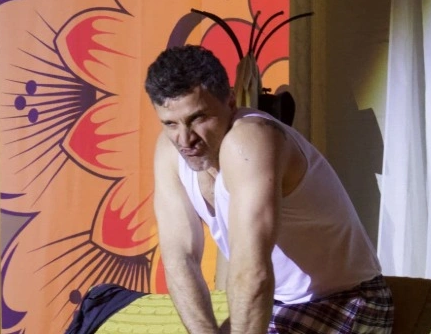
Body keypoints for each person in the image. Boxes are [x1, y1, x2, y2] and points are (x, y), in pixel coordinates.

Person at [144, 45, 393, 334]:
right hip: (276, 304)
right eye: (170, 123)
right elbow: (179, 258)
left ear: (231, 101)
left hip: (346, 299)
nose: (185, 139)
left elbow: (252, 272)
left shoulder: (250, 140)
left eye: (197, 118)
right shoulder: (169, 151)